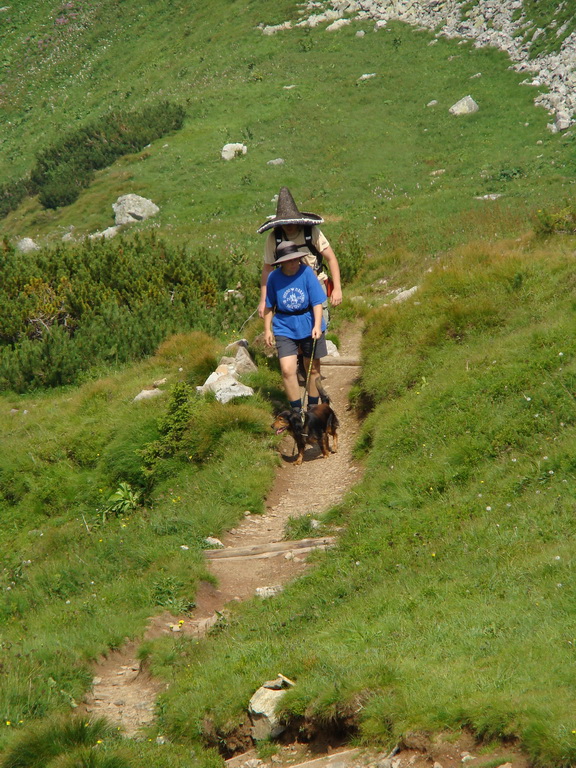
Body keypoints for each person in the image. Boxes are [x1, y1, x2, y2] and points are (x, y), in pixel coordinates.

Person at [257, 187, 342, 320]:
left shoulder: (311, 232)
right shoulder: (274, 238)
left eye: (292, 221)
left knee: (320, 324)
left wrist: (337, 288)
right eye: (285, 222)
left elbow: (331, 258)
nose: (289, 225)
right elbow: (268, 269)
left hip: (316, 282)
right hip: (287, 287)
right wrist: (263, 301)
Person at [263, 240, 328, 413]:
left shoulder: (307, 272)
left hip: (308, 322)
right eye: (290, 260)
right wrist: (267, 329)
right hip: (284, 325)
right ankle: (296, 412)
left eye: (296, 259)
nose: (294, 263)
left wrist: (317, 326)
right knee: (287, 369)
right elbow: (269, 305)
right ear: (282, 262)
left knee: (312, 367)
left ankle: (313, 407)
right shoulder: (274, 278)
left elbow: (317, 302)